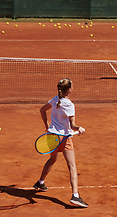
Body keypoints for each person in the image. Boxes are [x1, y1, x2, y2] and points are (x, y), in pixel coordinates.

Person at [33, 78, 88, 208]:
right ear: (69, 90)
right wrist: (79, 129)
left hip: (52, 137)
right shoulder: (69, 104)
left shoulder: (54, 99)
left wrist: (47, 126)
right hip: (64, 138)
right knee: (72, 167)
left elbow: (42, 110)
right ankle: (75, 196)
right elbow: (72, 125)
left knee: (52, 159)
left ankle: (40, 182)